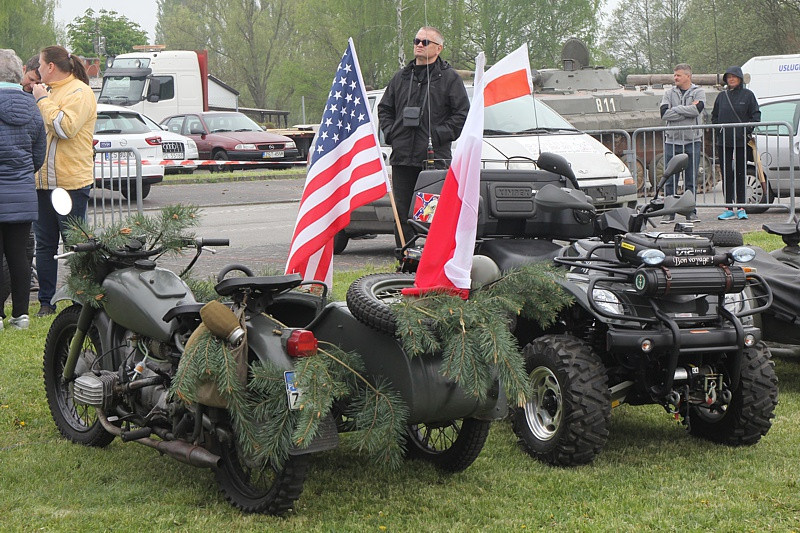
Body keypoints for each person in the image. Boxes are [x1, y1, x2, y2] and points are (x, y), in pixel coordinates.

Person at [378, 26, 469, 247]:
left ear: (438, 48)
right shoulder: (401, 77)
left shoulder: (449, 79)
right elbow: (384, 109)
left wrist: (437, 136)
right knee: (402, 212)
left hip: (433, 159)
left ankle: (430, 259)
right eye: (416, 40)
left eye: (425, 42)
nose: (419, 45)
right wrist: (392, 134)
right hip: (402, 158)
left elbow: (461, 113)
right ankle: (404, 258)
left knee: (430, 213)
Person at [31, 46, 96, 316]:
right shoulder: (51, 91)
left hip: (70, 184)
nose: (37, 69)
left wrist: (42, 101)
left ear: (50, 67)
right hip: (43, 183)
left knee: (75, 246)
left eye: (41, 64)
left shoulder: (79, 92)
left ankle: (81, 302)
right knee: (45, 245)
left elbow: (64, 128)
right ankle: (46, 302)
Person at [0, 49, 46, 330]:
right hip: (22, 191)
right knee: (20, 256)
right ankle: (20, 316)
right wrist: (21, 175)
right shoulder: (32, 106)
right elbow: (38, 154)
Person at [712, 66, 760, 221]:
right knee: (726, 174)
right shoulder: (721, 96)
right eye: (728, 77)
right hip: (724, 141)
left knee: (740, 173)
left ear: (739, 78)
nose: (731, 79)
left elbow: (756, 115)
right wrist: (718, 130)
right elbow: (714, 116)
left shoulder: (748, 95)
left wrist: (747, 130)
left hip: (740, 141)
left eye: (734, 76)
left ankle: (741, 208)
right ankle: (728, 207)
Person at [659, 63, 706, 224]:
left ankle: (690, 212)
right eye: (675, 75)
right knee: (670, 178)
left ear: (688, 76)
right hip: (672, 141)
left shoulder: (698, 92)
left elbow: (696, 111)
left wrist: (676, 109)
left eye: (678, 75)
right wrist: (685, 109)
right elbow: (664, 113)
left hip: (692, 140)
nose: (675, 78)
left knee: (691, 179)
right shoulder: (668, 93)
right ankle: (669, 212)